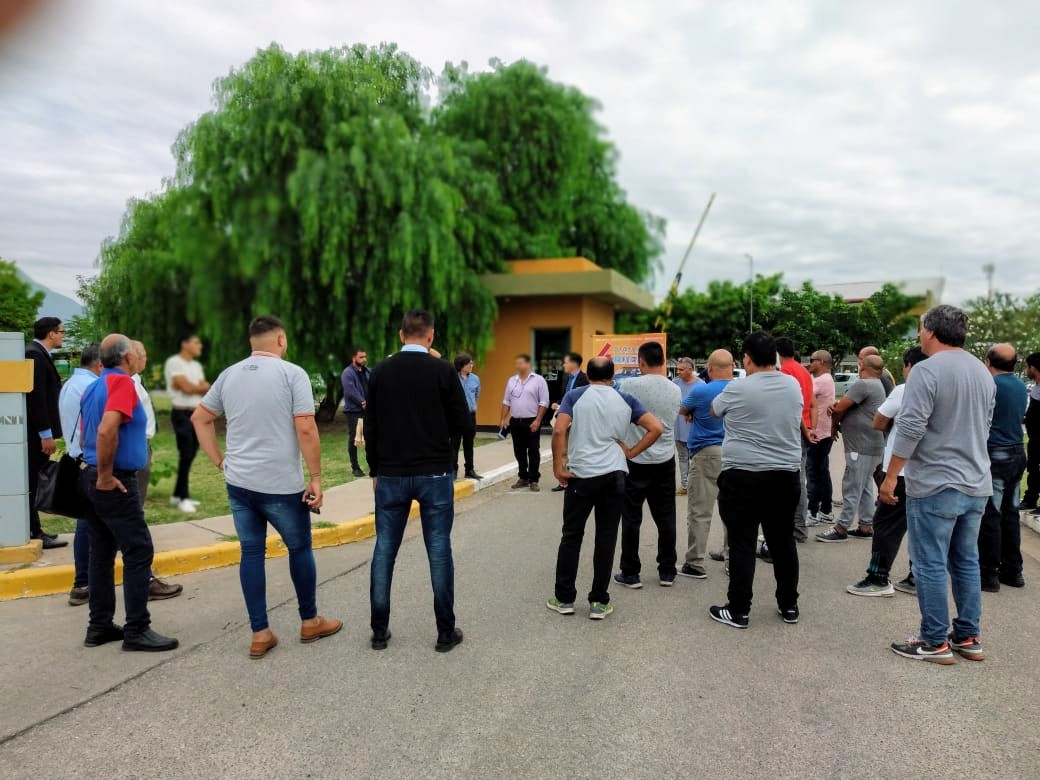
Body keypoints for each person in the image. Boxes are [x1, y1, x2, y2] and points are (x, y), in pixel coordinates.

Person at [193, 316, 341, 659]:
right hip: (280, 484)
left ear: (251, 342)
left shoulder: (229, 375)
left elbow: (200, 418)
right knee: (299, 548)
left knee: (251, 553)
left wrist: (219, 461)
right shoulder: (292, 374)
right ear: (281, 340)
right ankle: (310, 621)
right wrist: (316, 477)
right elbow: (306, 428)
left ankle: (260, 633)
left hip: (239, 482)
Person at [883, 306, 994, 664]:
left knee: (930, 562)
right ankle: (968, 635)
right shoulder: (981, 371)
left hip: (935, 482)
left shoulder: (926, 370)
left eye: (920, 329)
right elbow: (985, 425)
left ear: (930, 331)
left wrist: (891, 475)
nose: (919, 335)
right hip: (976, 481)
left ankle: (934, 641)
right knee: (966, 560)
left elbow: (911, 426)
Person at [365, 310, 472, 652]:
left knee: (385, 548)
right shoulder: (443, 371)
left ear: (401, 335)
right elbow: (463, 421)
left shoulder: (380, 371)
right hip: (434, 472)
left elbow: (371, 426)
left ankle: (379, 631)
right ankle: (445, 632)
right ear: (431, 336)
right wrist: (440, 440)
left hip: (391, 472)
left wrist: (374, 470)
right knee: (439, 548)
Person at [79, 334, 178, 652]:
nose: (138, 357)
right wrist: (106, 476)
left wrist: (96, 472)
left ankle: (99, 626)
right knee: (138, 551)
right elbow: (106, 429)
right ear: (127, 358)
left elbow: (85, 433)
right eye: (136, 352)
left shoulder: (94, 385)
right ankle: (137, 629)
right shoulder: (122, 383)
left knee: (101, 553)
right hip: (114, 481)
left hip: (90, 476)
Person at [547, 357, 662, 620]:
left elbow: (559, 430)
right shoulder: (625, 399)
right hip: (614, 474)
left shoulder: (575, 396)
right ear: (612, 377)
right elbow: (656, 428)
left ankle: (564, 598)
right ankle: (599, 601)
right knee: (606, 537)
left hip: (581, 474)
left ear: (587, 375)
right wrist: (630, 452)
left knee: (572, 535)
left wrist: (558, 467)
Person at [708, 331, 803, 629]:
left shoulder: (738, 387)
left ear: (746, 359)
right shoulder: (792, 385)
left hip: (743, 476)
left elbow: (714, 410)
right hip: (785, 475)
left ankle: (739, 610)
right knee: (783, 542)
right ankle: (789, 605)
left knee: (742, 543)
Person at [847, 346, 927, 597]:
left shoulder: (906, 389)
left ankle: (878, 577)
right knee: (921, 527)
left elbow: (879, 420)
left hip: (900, 471)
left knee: (886, 525)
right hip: (930, 472)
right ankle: (918, 577)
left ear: (909, 366)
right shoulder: (944, 391)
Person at [614, 342, 682, 588]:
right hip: (664, 459)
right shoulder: (675, 389)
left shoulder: (628, 386)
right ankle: (667, 570)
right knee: (666, 517)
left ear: (641, 362)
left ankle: (630, 572)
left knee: (631, 518)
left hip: (635, 459)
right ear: (663, 361)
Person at [130, 341, 183, 601]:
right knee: (134, 518)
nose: (146, 359)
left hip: (140, 447)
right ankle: (145, 581)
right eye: (142, 355)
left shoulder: (134, 381)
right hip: (135, 452)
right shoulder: (125, 385)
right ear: (129, 357)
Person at [816, 355, 886, 542]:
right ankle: (865, 526)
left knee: (852, 485)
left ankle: (841, 527)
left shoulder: (863, 384)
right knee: (864, 486)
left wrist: (833, 424)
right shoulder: (877, 384)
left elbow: (840, 408)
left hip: (860, 445)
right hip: (872, 444)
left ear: (862, 366)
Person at [978, 343, 1028, 591]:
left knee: (991, 514)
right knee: (1010, 513)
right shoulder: (1019, 385)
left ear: (988, 362)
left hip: (995, 452)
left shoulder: (991, 385)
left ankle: (989, 574)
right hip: (1017, 451)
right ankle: (1013, 570)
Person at [678, 349, 733, 579]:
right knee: (733, 512)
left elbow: (682, 409)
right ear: (732, 366)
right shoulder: (741, 389)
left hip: (706, 453)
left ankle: (695, 562)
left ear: (709, 368)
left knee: (700, 511)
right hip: (735, 454)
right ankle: (734, 561)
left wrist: (693, 413)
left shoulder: (701, 391)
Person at [60, 344, 103, 604]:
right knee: (121, 521)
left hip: (77, 460)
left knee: (87, 523)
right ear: (99, 364)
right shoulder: (92, 386)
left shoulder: (70, 384)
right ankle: (146, 579)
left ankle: (82, 584)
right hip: (91, 462)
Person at [25, 316, 68, 549]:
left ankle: (35, 529)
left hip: (40, 433)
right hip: (36, 435)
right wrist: (45, 434)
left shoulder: (39, 354)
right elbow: (37, 399)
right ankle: (34, 531)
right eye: (62, 332)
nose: (63, 336)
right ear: (51, 333)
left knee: (35, 479)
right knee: (33, 481)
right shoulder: (35, 355)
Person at [777, 337, 816, 545]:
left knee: (793, 481)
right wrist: (811, 428)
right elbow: (812, 404)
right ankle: (799, 527)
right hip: (804, 429)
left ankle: (796, 528)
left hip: (793, 430)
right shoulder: (804, 371)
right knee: (799, 479)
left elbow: (793, 407)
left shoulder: (785, 372)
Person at [164, 333, 209, 512]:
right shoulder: (174, 362)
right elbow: (188, 388)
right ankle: (183, 498)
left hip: (196, 413)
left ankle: (177, 494)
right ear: (185, 344)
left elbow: (204, 387)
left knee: (191, 452)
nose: (200, 346)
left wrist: (192, 387)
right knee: (186, 453)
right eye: (196, 342)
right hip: (182, 413)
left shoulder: (196, 366)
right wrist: (194, 387)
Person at [500, 354, 549, 491]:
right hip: (515, 421)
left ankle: (534, 479)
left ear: (528, 364)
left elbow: (544, 402)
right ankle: (523, 477)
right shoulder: (512, 380)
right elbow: (506, 401)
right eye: (517, 363)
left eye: (521, 363)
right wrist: (503, 419)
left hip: (532, 421)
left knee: (533, 450)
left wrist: (538, 420)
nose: (518, 366)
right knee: (519, 451)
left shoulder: (539, 380)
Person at [549, 352, 589, 492]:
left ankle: (579, 478)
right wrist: (557, 403)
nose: (563, 365)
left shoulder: (585, 379)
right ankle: (564, 481)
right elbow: (564, 397)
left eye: (565, 362)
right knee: (563, 449)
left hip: (578, 420)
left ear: (574, 363)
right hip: (564, 418)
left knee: (577, 449)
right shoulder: (566, 378)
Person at [807, 350, 836, 525]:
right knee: (822, 471)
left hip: (817, 433)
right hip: (825, 432)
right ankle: (826, 510)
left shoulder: (820, 380)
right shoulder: (827, 379)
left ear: (823, 362)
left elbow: (804, 396)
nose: (810, 363)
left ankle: (812, 512)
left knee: (813, 472)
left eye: (813, 360)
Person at [451, 353, 482, 481]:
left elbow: (476, 395)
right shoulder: (452, 378)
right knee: (454, 444)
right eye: (469, 363)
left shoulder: (475, 379)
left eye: (471, 363)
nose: (471, 365)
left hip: (470, 415)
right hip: (456, 416)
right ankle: (453, 470)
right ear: (461, 365)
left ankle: (469, 470)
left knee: (469, 443)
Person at [672, 357, 701, 496]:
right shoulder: (674, 384)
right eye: (677, 369)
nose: (678, 372)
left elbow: (706, 407)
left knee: (696, 460)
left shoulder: (701, 385)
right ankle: (685, 486)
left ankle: (696, 486)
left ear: (690, 369)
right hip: (678, 430)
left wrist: (693, 413)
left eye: (681, 369)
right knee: (682, 458)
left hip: (695, 431)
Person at [340, 347, 370, 478]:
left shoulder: (367, 371)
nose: (364, 359)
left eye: (365, 357)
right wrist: (362, 402)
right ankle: (355, 468)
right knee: (354, 439)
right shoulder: (347, 373)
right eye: (361, 357)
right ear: (354, 358)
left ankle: (373, 464)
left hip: (368, 411)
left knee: (370, 437)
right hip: (354, 412)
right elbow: (350, 391)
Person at [1020, 352, 1040, 512]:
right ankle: (1030, 499)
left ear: (1033, 368)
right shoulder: (1036, 388)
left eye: (1028, 367)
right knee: (1033, 468)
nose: (1027, 370)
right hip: (1034, 438)